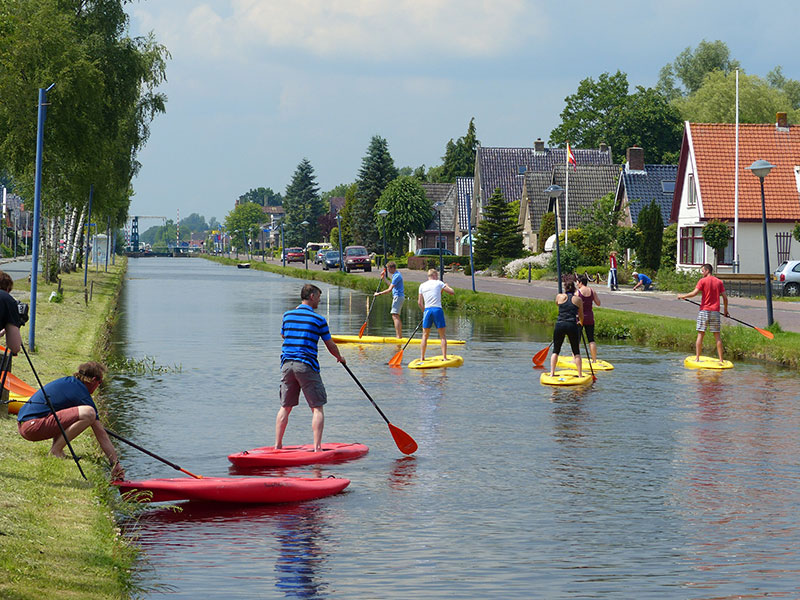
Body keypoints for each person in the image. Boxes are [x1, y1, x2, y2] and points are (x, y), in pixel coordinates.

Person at [16, 361, 125, 480]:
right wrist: (115, 463)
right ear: (94, 380)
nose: (99, 385)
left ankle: (57, 449)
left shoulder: (70, 383)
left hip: (25, 425)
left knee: (78, 413)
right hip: (32, 427)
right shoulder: (81, 393)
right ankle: (55, 451)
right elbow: (101, 434)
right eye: (100, 382)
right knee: (89, 413)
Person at [276, 284, 345, 452]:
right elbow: (330, 345)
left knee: (285, 407)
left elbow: (284, 335)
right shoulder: (319, 320)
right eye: (319, 297)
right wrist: (339, 358)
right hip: (306, 365)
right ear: (312, 296)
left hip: (286, 365)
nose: (319, 301)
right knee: (317, 407)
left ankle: (277, 446)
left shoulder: (287, 315)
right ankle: (317, 448)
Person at [678, 263, 730, 363]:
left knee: (700, 334)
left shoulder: (702, 281)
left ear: (707, 271)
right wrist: (725, 310)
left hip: (704, 311)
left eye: (702, 271)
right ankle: (721, 360)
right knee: (717, 336)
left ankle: (697, 358)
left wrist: (683, 296)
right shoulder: (719, 282)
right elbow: (725, 297)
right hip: (715, 312)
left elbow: (694, 293)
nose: (702, 273)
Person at [418, 269, 455, 361]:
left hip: (427, 310)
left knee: (425, 335)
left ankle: (422, 357)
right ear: (434, 275)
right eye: (437, 276)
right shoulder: (439, 283)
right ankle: (445, 357)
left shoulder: (422, 285)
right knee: (442, 335)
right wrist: (446, 286)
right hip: (437, 309)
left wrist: (424, 312)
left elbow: (419, 302)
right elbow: (452, 292)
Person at [549, 281, 584, 377]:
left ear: (565, 288)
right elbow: (581, 315)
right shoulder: (578, 300)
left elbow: (558, 304)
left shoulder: (559, 297)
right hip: (571, 325)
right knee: (576, 351)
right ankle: (580, 375)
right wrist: (581, 323)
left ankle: (552, 373)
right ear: (574, 289)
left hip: (560, 324)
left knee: (556, 350)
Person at [374, 261, 404, 338]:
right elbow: (391, 285)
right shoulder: (395, 275)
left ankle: (399, 336)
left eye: (388, 269)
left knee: (395, 315)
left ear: (393, 268)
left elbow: (389, 290)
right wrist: (384, 278)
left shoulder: (397, 276)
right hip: (398, 297)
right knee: (395, 315)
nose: (388, 270)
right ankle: (399, 335)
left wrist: (379, 293)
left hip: (398, 297)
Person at [575, 274, 601, 362]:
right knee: (591, 339)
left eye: (577, 282)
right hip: (590, 317)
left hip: (580, 318)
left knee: (576, 339)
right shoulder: (592, 291)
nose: (577, 284)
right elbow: (598, 303)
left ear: (581, 282)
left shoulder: (577, 292)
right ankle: (594, 360)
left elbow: (574, 305)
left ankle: (575, 359)